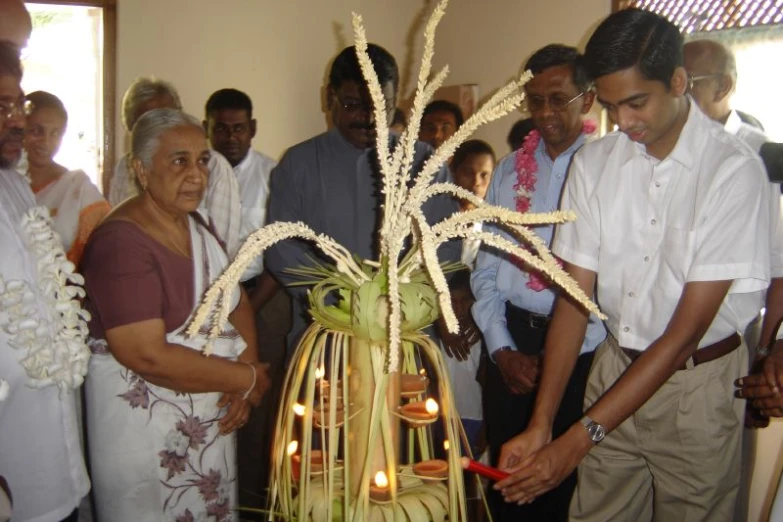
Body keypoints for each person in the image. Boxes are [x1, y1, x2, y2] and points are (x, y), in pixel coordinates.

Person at [495, 9, 771, 522]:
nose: (623, 123)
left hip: (697, 388)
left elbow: (685, 334)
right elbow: (574, 303)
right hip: (615, 367)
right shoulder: (595, 164)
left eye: (637, 103)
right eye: (611, 105)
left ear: (679, 81)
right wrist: (543, 424)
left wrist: (579, 439)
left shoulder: (732, 172)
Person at [81, 109, 271, 521]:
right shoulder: (121, 243)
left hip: (208, 427)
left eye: (202, 160)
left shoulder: (196, 225)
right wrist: (245, 378)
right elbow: (145, 355)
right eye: (179, 160)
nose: (197, 175)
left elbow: (235, 302)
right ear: (141, 169)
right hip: (145, 444)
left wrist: (245, 369)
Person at [471, 44, 605, 522]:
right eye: (535, 100)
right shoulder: (509, 170)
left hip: (581, 346)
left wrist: (556, 355)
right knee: (505, 482)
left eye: (558, 99)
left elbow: (609, 284)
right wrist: (502, 348)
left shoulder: (609, 169)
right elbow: (486, 266)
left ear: (587, 100)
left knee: (559, 487)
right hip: (511, 339)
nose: (544, 113)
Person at [265, 43, 459, 355]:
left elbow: (446, 243)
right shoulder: (299, 163)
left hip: (403, 335)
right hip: (324, 335)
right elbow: (280, 248)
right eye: (354, 105)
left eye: (382, 107)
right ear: (329, 98)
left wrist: (401, 302)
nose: (369, 119)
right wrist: (345, 303)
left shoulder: (424, 163)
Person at [684, 38, 783, 521]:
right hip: (668, 325)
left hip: (735, 331)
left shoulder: (766, 156)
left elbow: (781, 266)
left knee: (723, 474)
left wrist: (766, 352)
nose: (678, 94)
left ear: (724, 85)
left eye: (690, 84)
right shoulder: (672, 149)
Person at [0, 9, 91, 520]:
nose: (17, 122)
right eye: (0, 107)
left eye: (16, 104)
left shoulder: (13, 184)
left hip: (56, 455)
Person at [204, 87, 290, 508]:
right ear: (208, 129)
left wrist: (246, 311)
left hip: (264, 298)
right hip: (205, 302)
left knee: (258, 396)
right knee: (215, 394)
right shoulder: (194, 173)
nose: (230, 137)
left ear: (252, 129)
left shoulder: (275, 175)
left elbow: (281, 254)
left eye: (239, 128)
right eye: (221, 128)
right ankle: (215, 493)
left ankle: (255, 501)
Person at [108, 77, 242, 256]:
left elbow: (221, 250)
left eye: (166, 119)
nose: (161, 130)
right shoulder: (123, 168)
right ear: (131, 129)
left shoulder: (214, 166)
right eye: (148, 125)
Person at [24, 90, 110, 266]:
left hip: (62, 289)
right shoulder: (7, 183)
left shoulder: (77, 189)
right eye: (36, 130)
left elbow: (104, 252)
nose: (46, 141)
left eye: (55, 133)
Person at [682, 39, 765, 131]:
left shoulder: (753, 144)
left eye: (686, 81)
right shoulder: (673, 139)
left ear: (722, 87)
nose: (676, 90)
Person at [450, 139, 495, 270]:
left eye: (484, 175)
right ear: (453, 172)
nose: (476, 182)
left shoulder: (495, 221)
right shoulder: (435, 211)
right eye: (468, 172)